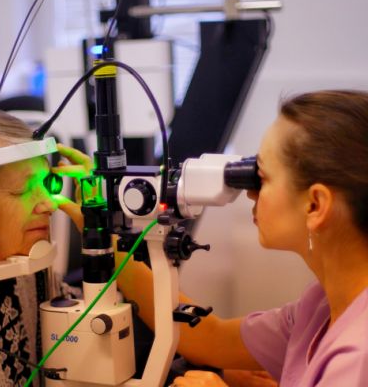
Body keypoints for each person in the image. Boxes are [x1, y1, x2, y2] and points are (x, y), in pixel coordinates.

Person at [60, 89, 368, 387]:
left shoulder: (357, 354)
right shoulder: (320, 308)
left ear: (315, 205)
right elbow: (212, 338)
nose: (250, 193)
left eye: (262, 178)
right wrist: (101, 233)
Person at [0, 109, 81, 386]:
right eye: (21, 189)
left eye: (45, 184)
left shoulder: (31, 274)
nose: (50, 204)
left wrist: (96, 234)